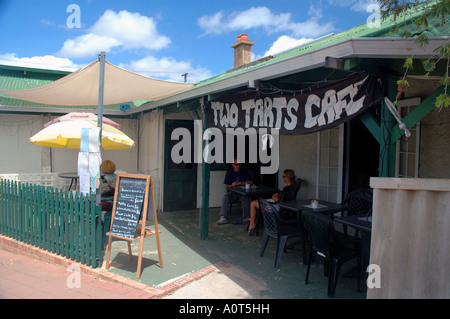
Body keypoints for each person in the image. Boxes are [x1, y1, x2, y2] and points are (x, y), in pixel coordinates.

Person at [247, 169, 299, 235]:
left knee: (253, 203)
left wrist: (273, 197)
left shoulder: (287, 189)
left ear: (287, 178)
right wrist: (276, 194)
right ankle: (252, 219)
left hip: (276, 206)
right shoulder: (291, 186)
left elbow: (279, 201)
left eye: (283, 176)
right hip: (280, 204)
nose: (282, 178)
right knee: (256, 201)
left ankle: (252, 224)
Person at [217, 159, 253, 225]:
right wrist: (232, 185)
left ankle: (246, 218)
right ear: (233, 165)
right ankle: (223, 217)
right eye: (236, 164)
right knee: (225, 197)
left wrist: (240, 183)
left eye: (239, 164)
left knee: (246, 198)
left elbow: (250, 182)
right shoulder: (229, 172)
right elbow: (226, 185)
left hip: (242, 192)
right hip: (233, 193)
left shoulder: (244, 171)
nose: (238, 166)